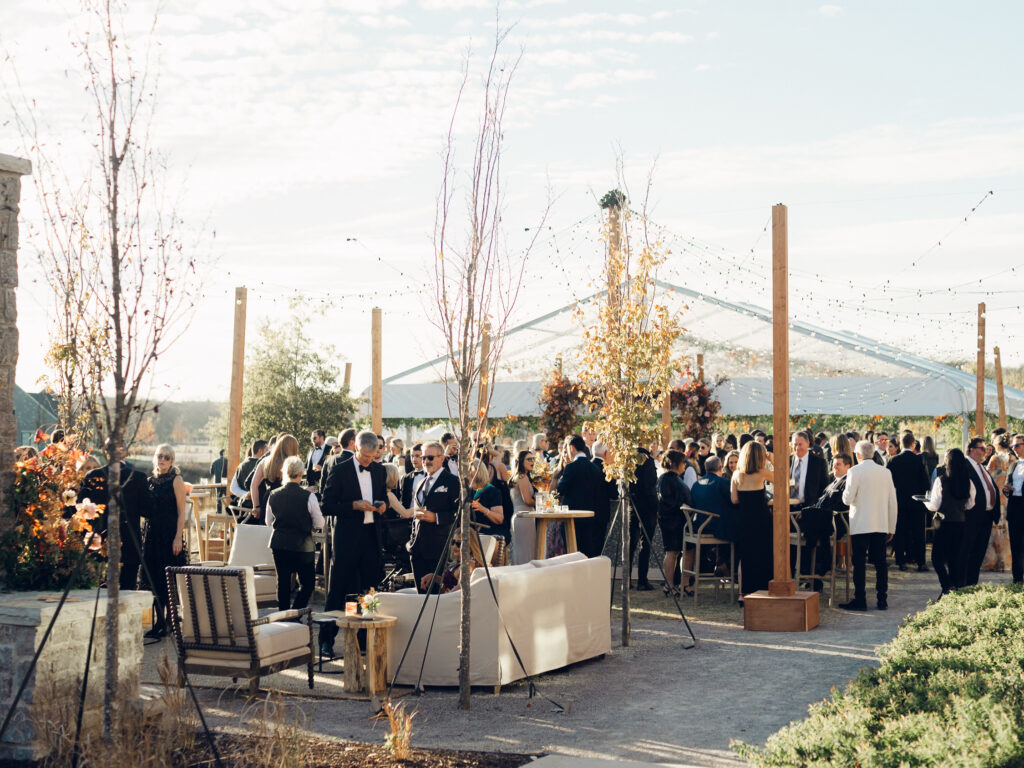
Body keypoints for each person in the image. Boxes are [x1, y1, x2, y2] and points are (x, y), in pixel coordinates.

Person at [321, 430, 387, 613]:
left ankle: (366, 634)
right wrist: (353, 506)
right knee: (339, 587)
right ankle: (328, 635)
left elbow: (384, 497)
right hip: (347, 538)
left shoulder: (380, 470)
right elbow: (326, 506)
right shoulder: (339, 470)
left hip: (371, 537)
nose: (368, 461)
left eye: (372, 457)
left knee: (370, 589)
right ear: (356, 448)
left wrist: (383, 506)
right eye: (365, 456)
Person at [78, 448, 152, 592]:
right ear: (126, 454)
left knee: (99, 591)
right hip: (129, 542)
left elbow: (81, 509)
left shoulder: (93, 476)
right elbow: (148, 511)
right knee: (128, 590)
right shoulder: (138, 477)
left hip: (99, 542)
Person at [840, 441, 898, 611]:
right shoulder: (885, 472)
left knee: (859, 563)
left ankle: (860, 599)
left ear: (857, 455)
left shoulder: (854, 471)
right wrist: (891, 527)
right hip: (880, 523)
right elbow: (892, 502)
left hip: (860, 523)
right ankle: (882, 599)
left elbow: (847, 499)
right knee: (880, 563)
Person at [265, 455, 325, 611]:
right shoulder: (309, 496)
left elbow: (268, 521)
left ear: (284, 472)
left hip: (279, 543)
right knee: (308, 584)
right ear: (301, 473)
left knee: (283, 583)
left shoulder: (274, 494)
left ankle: (284, 615)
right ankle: (296, 613)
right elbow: (320, 523)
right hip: (302, 545)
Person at [144, 444, 188, 639]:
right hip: (153, 534)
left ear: (172, 461)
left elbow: (181, 512)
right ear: (155, 458)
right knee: (153, 577)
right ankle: (158, 622)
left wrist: (178, 536)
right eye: (160, 456)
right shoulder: (149, 482)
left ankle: (170, 621)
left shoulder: (176, 480)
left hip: (170, 534)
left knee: (167, 578)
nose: (162, 459)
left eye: (167, 457)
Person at [408, 441, 460, 593]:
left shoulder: (452, 482)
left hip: (439, 547)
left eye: (430, 457)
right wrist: (411, 542)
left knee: (437, 595)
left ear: (441, 458)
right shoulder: (421, 482)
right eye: (423, 458)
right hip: (417, 549)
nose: (425, 462)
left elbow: (460, 513)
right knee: (421, 594)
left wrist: (436, 517)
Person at [925, 448, 975, 595]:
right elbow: (970, 504)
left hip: (943, 523)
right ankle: (952, 588)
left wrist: (925, 503)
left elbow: (934, 505)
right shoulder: (968, 482)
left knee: (936, 558)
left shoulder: (941, 480)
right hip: (960, 522)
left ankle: (946, 586)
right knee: (954, 559)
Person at [730, 441, 774, 596]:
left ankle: (743, 593)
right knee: (764, 553)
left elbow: (734, 499)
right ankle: (763, 589)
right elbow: (782, 480)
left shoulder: (736, 474)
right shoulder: (762, 473)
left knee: (746, 556)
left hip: (744, 518)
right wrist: (772, 460)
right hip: (761, 518)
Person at [887, 431, 931, 572]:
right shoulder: (919, 460)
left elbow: (888, 482)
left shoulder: (893, 460)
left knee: (900, 531)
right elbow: (926, 483)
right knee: (918, 532)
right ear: (913, 444)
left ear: (900, 443)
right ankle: (921, 562)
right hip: (916, 502)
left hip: (899, 501)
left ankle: (901, 561)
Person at [555, 435, 604, 557]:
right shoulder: (595, 468)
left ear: (572, 448)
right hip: (591, 517)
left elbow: (560, 490)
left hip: (572, 518)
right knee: (588, 553)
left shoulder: (571, 467)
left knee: (571, 553)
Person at [963, 436, 1000, 586]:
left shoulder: (981, 467)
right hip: (972, 517)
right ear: (972, 450)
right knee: (969, 553)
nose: (986, 451)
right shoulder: (965, 465)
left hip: (986, 517)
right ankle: (964, 584)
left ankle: (972, 584)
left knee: (978, 554)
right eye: (982, 448)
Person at [691, 454, 736, 570]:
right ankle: (725, 566)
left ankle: (720, 563)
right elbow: (735, 502)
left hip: (697, 526)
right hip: (716, 528)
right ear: (721, 468)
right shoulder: (723, 483)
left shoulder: (696, 485)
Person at [657, 450, 690, 597]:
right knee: (671, 552)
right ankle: (669, 585)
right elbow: (667, 501)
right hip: (671, 521)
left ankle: (672, 584)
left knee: (675, 552)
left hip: (677, 520)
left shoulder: (672, 478)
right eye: (683, 462)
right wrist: (682, 505)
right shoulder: (666, 479)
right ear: (676, 463)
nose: (685, 465)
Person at [249, 434, 299, 525]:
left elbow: (253, 484)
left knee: (266, 532)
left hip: (268, 499)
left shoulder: (265, 461)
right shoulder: (292, 463)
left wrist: (256, 506)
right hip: (287, 500)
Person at [628, 446, 659, 590]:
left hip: (632, 504)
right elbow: (651, 483)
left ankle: (626, 579)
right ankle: (642, 580)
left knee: (630, 544)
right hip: (648, 506)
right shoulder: (649, 461)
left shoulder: (629, 461)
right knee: (645, 544)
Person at [470, 458, 507, 544]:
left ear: (477, 474)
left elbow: (499, 519)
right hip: (471, 535)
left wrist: (483, 509)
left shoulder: (492, 491)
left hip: (490, 534)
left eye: (469, 474)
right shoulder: (468, 491)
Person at [509, 450, 538, 564]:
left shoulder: (521, 476)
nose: (532, 461)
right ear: (521, 461)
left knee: (524, 549)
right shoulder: (522, 477)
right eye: (529, 459)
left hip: (523, 516)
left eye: (533, 459)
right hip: (524, 516)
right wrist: (542, 501)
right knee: (525, 551)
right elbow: (527, 500)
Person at [1003, 434, 1024, 583]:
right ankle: (1017, 578)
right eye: (1013, 446)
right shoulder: (1013, 464)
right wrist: (1006, 489)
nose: (1014, 449)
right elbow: (1007, 483)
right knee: (1016, 544)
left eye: (1017, 445)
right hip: (1015, 506)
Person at [789, 432, 828, 511]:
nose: (797, 448)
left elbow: (823, 488)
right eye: (795, 445)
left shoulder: (819, 463)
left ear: (808, 444)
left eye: (800, 444)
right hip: (789, 509)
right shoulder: (786, 461)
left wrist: (813, 508)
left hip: (809, 509)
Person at [591, 441, 617, 553]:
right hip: (601, 513)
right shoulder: (607, 469)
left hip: (585, 512)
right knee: (598, 547)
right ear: (606, 453)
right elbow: (614, 494)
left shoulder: (587, 466)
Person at [230, 439, 268, 507]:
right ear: (260, 451)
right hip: (259, 507)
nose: (268, 453)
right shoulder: (263, 465)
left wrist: (245, 494)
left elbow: (233, 488)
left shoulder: (241, 465)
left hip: (243, 507)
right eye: (266, 450)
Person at [401, 443, 426, 508]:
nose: (414, 459)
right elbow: (404, 501)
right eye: (412, 456)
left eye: (417, 456)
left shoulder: (431, 475)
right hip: (410, 516)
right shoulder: (406, 478)